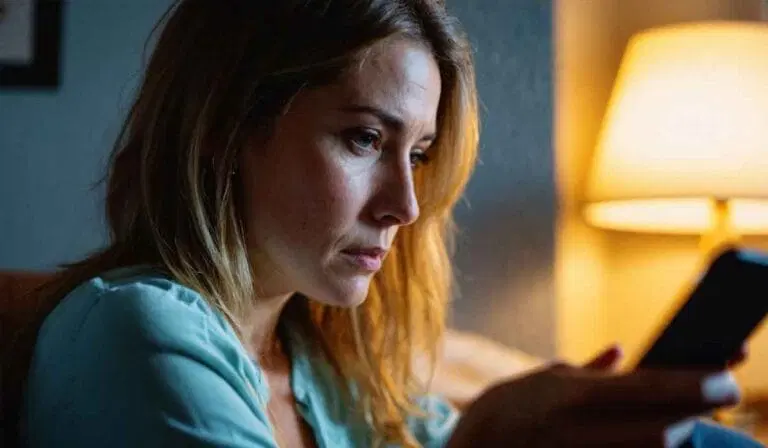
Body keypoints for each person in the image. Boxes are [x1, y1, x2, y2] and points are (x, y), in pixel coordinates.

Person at [20, 1, 761, 447]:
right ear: (223, 127)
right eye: (365, 139)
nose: (405, 205)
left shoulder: (333, 381)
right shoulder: (135, 334)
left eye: (420, 153)